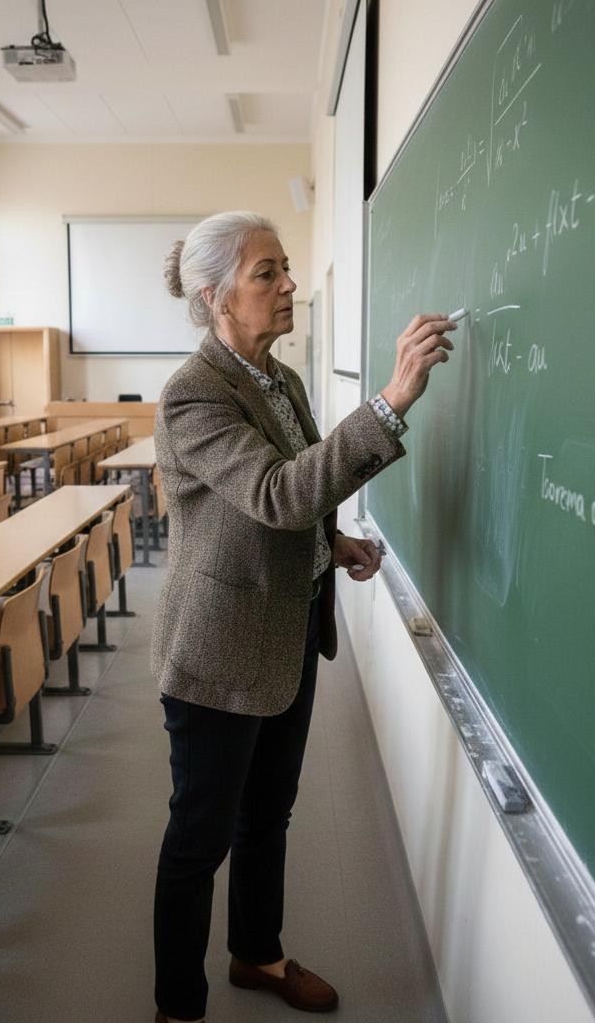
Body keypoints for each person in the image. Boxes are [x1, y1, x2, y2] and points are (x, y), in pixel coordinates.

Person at [151, 211, 456, 1023]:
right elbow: (275, 493)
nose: (288, 285)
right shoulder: (194, 394)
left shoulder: (276, 378)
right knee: (197, 841)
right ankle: (178, 1005)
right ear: (216, 296)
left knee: (267, 813)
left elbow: (300, 492)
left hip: (285, 630)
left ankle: (257, 953)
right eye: (268, 273)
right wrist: (391, 401)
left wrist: (335, 540)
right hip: (218, 651)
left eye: (285, 268)